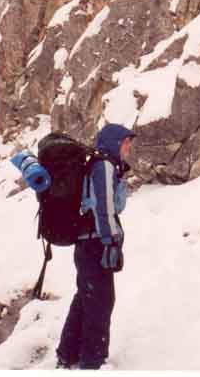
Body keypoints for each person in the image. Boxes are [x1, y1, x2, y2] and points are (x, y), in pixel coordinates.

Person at [56, 123, 136, 370]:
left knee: (86, 297)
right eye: (125, 142)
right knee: (101, 301)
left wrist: (121, 179)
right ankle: (93, 362)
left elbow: (115, 205)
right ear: (114, 142)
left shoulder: (107, 166)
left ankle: (68, 354)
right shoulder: (103, 166)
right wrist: (111, 242)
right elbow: (105, 209)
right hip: (95, 244)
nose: (129, 147)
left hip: (88, 243)